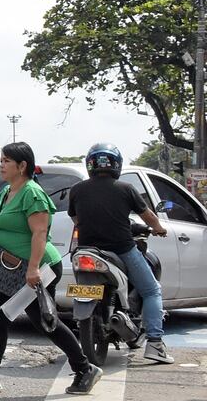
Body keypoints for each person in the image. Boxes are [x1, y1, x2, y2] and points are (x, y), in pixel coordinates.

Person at [0, 142, 102, 395]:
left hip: (36, 267)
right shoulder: (8, 191)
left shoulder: (32, 193)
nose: (1, 165)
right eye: (1, 160)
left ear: (22, 166)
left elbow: (40, 232)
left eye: (6, 161)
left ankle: (85, 368)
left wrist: (32, 269)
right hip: (8, 267)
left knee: (44, 321)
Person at [69, 142, 173, 364]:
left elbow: (76, 219)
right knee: (152, 290)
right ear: (116, 164)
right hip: (122, 249)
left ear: (90, 164)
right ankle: (155, 343)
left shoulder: (76, 190)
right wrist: (159, 229)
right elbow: (150, 218)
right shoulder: (126, 188)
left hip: (86, 250)